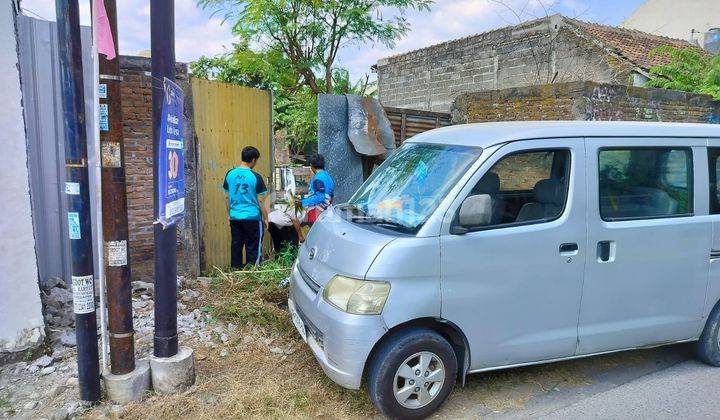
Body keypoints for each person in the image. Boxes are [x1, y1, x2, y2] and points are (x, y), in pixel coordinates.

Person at [223, 146, 268, 269]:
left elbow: (227, 197)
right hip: (252, 218)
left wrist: (229, 214)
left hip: (235, 217)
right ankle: (252, 275)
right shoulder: (256, 177)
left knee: (236, 246)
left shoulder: (230, 174)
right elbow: (260, 201)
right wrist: (266, 218)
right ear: (253, 160)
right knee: (253, 248)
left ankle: (235, 273)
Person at [297, 154, 335, 224]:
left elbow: (320, 197)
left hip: (317, 213)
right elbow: (332, 196)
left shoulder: (318, 178)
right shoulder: (328, 176)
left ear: (311, 165)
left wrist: (302, 202)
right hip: (326, 210)